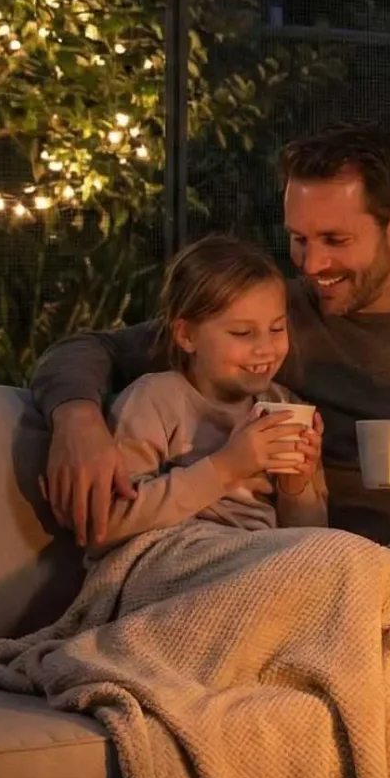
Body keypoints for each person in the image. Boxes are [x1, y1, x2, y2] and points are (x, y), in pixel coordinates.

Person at [32, 123, 390, 545]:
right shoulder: (272, 321)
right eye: (299, 239)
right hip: (367, 563)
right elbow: (89, 349)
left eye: (335, 241)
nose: (311, 265)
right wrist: (77, 420)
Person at [80, 234, 324, 553]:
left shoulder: (286, 406)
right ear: (186, 335)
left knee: (365, 564)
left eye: (277, 329)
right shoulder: (155, 400)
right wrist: (226, 467)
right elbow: (110, 523)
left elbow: (312, 540)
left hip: (261, 557)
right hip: (180, 556)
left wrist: (297, 488)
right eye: (242, 333)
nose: (266, 348)